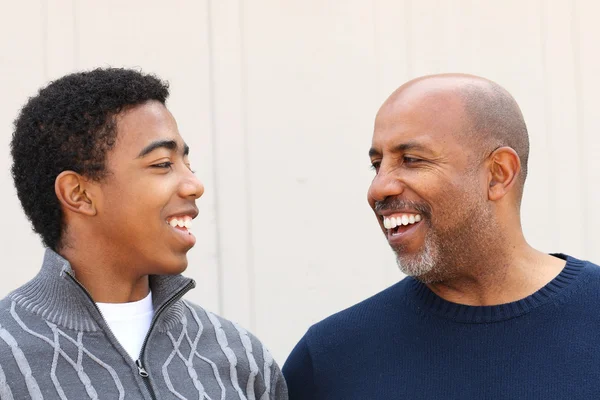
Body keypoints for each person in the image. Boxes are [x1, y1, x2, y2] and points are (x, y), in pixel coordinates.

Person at [282, 74, 600, 399]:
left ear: (498, 174)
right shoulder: (329, 359)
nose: (379, 187)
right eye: (377, 164)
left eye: (411, 160)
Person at [1, 68, 287, 400]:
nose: (195, 185)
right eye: (163, 164)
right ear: (78, 194)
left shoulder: (242, 359)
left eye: (187, 163)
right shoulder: (9, 361)